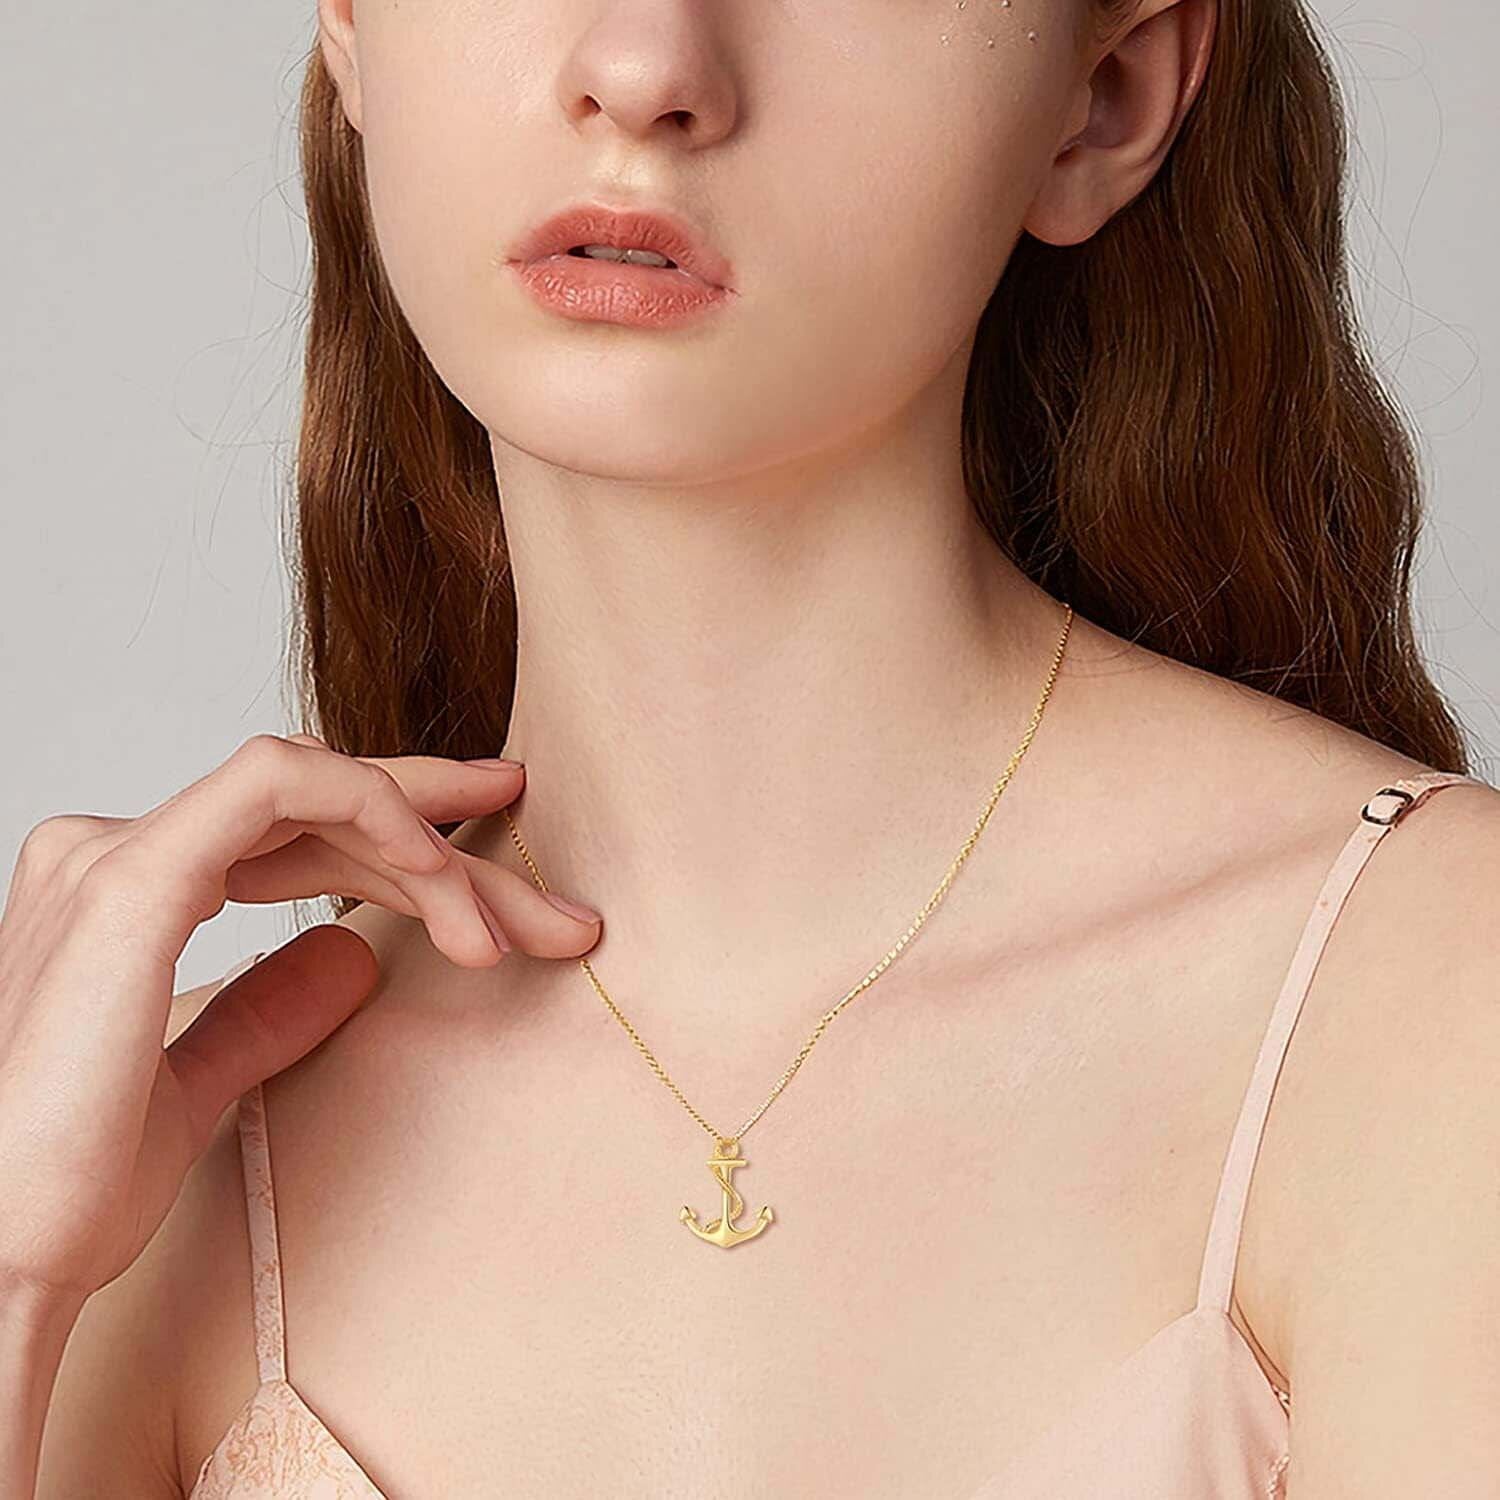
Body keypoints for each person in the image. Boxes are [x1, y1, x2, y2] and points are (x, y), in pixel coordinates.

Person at [5, 0, 1497, 1494]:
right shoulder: (129, 1162)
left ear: (1104, 93)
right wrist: (14, 1288)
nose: (644, 71)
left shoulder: (1421, 999)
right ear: (350, 23)